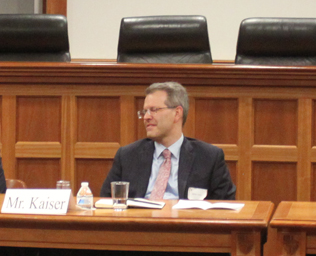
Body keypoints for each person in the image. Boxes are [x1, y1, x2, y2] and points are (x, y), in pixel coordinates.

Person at [100, 81, 235, 200]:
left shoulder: (209, 157)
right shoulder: (127, 156)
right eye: (145, 111)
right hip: (138, 224)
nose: (146, 117)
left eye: (154, 110)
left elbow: (225, 207)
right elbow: (105, 201)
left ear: (177, 113)